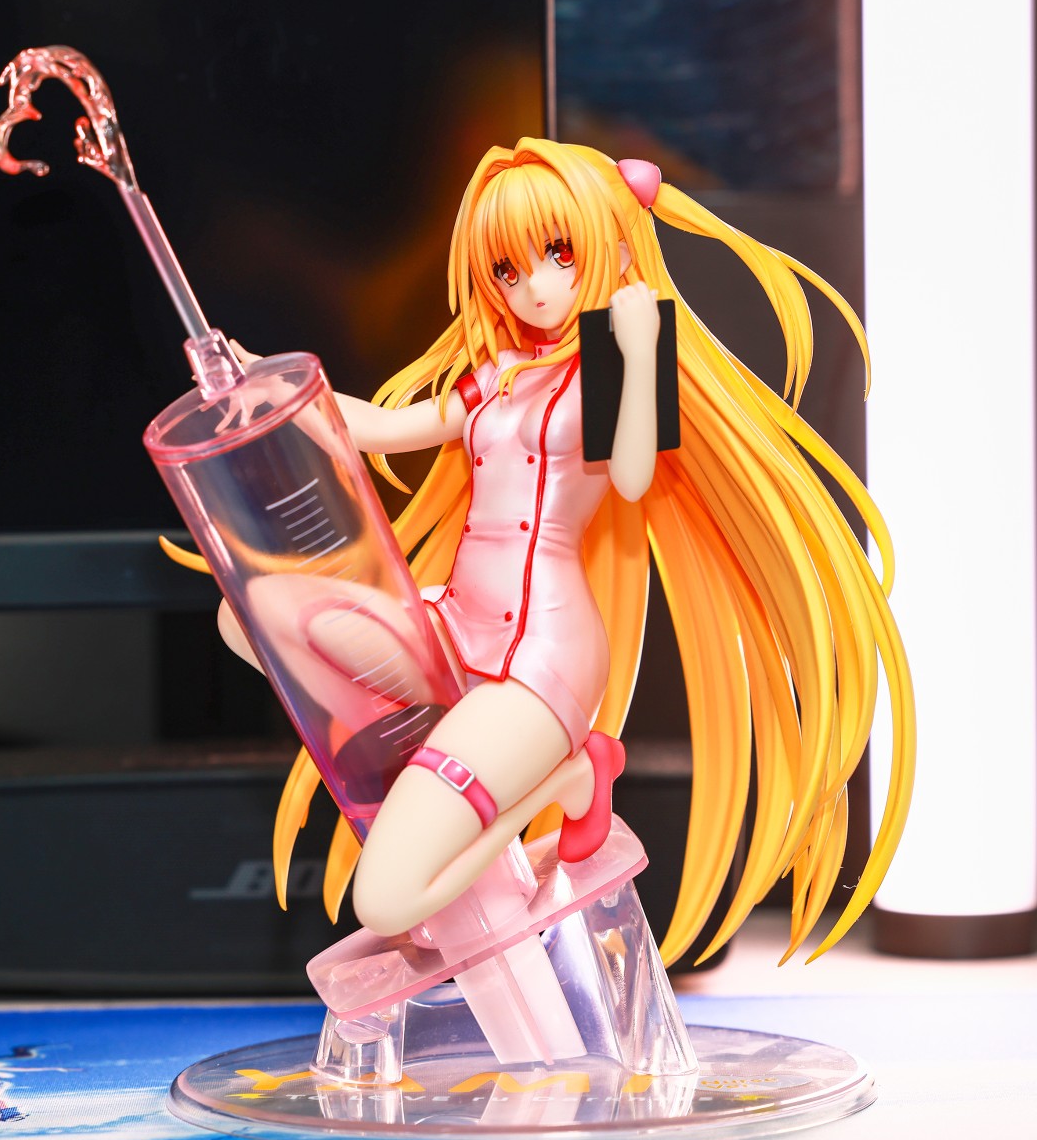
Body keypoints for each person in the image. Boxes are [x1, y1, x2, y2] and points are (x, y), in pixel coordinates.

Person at [223, 139, 913, 965]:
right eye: (508, 269)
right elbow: (381, 428)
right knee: (247, 613)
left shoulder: (621, 359)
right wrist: (269, 383)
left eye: (557, 254)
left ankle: (562, 778)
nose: (535, 286)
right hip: (454, 626)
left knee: (387, 898)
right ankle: (432, 755)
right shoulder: (501, 373)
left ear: (611, 245)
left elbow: (631, 476)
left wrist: (638, 350)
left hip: (539, 659)